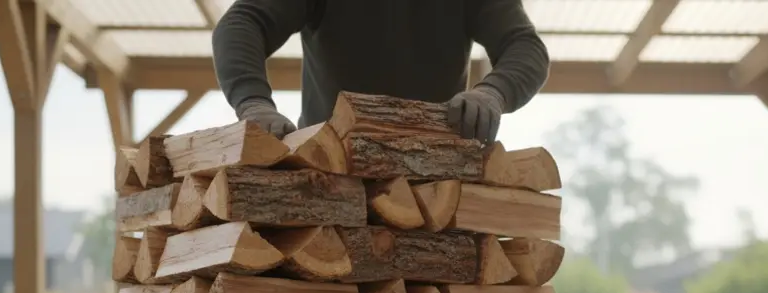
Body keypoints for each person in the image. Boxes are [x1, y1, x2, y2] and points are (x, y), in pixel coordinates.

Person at [212, 0, 550, 143]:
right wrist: (253, 103)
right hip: (326, 174)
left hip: (435, 192)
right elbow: (243, 24)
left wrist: (493, 92)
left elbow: (524, 47)